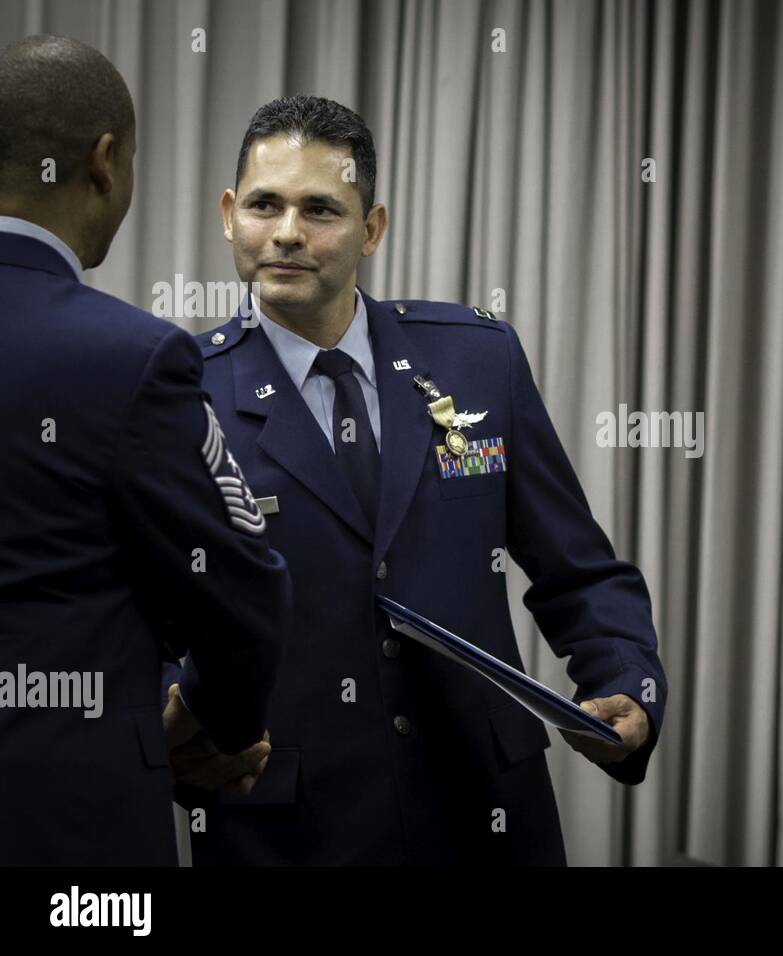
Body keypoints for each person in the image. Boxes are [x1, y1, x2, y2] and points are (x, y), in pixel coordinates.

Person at [173, 95, 667, 864]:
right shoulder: (181, 392)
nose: (288, 233)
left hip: (484, 811)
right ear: (230, 215)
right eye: (265, 205)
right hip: (287, 823)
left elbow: (578, 571)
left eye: (321, 209)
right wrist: (184, 725)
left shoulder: (477, 359)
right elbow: (154, 613)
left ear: (372, 229)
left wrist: (627, 682)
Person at [0, 35, 290, 865]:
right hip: (64, 830)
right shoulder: (129, 357)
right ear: (104, 161)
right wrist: (219, 725)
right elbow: (241, 588)